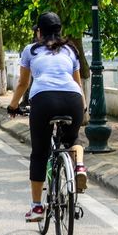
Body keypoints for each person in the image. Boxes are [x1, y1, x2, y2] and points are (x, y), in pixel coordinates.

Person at [7, 12, 88, 222]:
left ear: (39, 31)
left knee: (40, 154)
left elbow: (23, 84)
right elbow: (77, 83)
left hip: (43, 100)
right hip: (73, 99)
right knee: (73, 139)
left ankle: (36, 208)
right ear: (59, 31)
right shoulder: (71, 50)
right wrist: (84, 107)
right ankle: (79, 167)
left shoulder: (30, 50)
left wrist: (13, 105)